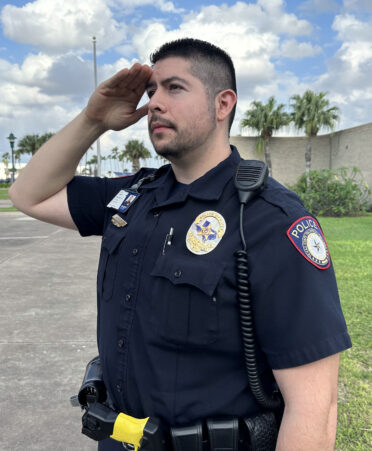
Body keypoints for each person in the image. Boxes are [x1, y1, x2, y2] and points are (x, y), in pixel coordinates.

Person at [9, 38, 351, 450]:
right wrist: (92, 120)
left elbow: (315, 406)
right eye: (152, 91)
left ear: (223, 104)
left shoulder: (269, 219)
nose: (154, 103)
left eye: (174, 88)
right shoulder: (135, 194)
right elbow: (28, 194)